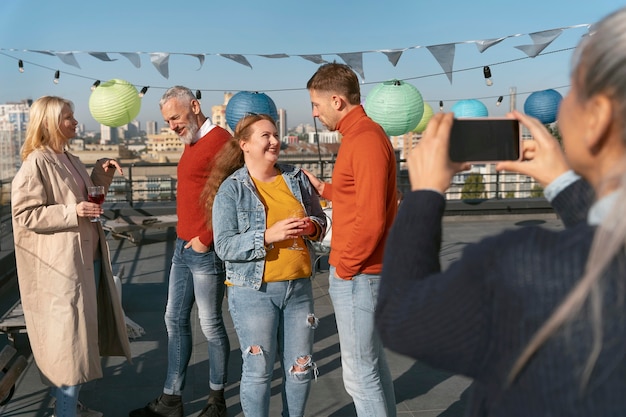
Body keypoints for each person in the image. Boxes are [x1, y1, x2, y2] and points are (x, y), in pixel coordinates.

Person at [376, 6, 626, 416]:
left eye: (574, 92)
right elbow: (607, 244)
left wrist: (424, 194)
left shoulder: (524, 266)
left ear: (596, 118)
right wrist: (562, 181)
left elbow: (402, 317)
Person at [11, 96, 131, 417]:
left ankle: (71, 407)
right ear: (50, 123)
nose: (75, 122)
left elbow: (85, 195)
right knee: (69, 346)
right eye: (68, 117)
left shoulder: (69, 158)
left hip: (83, 262)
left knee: (75, 342)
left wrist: (101, 175)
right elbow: (25, 214)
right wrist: (72, 211)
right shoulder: (36, 162)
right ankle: (66, 412)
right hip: (61, 270)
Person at [207, 114, 327, 417]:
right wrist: (268, 236)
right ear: (244, 144)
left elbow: (321, 223)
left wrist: (310, 227)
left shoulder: (296, 178)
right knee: (259, 372)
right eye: (266, 136)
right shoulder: (231, 189)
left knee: (300, 369)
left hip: (298, 289)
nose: (274, 141)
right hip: (253, 292)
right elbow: (224, 247)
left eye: (275, 134)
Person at [130, 86, 231, 417]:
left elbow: (236, 197)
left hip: (204, 249)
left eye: (175, 117)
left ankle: (216, 402)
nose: (171, 125)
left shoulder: (221, 142)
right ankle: (171, 400)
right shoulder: (192, 140)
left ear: (195, 106)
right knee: (173, 318)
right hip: (182, 247)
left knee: (211, 325)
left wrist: (207, 237)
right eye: (166, 120)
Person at [304, 63, 398, 416]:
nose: (314, 113)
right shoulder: (362, 135)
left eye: (316, 105)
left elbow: (372, 220)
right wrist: (326, 189)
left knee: (360, 376)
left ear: (336, 100)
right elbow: (360, 197)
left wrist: (345, 267)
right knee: (371, 368)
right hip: (362, 272)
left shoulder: (365, 140)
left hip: (359, 274)